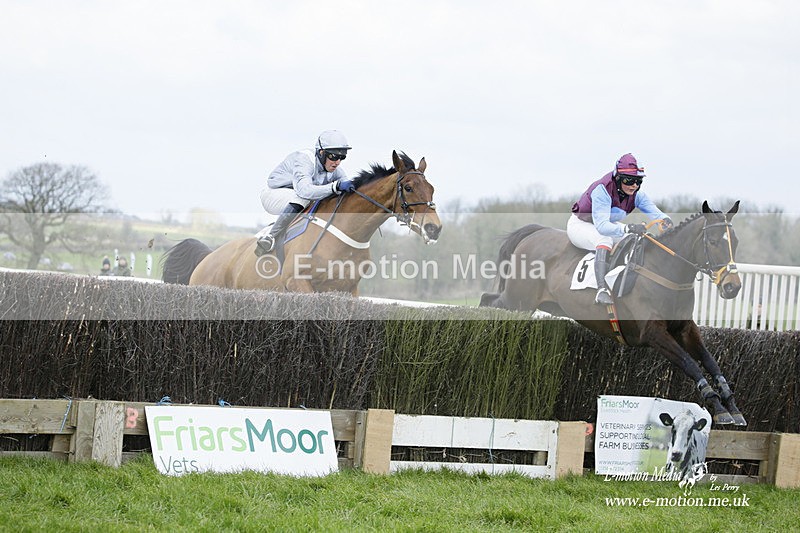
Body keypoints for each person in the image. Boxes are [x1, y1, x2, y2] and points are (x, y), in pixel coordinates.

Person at [568, 153, 673, 305]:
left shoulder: (637, 195)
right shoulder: (602, 190)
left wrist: (665, 221)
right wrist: (629, 228)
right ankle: (601, 289)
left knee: (639, 238)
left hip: (604, 224)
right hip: (581, 225)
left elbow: (656, 214)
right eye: (629, 180)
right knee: (605, 240)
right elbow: (602, 227)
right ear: (617, 177)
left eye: (638, 181)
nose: (634, 185)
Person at [255, 130, 356, 256]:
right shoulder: (304, 159)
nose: (338, 162)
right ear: (321, 153)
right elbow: (305, 191)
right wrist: (335, 186)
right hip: (273, 194)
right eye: (334, 157)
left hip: (293, 196)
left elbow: (348, 187)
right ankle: (270, 237)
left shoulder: (335, 169)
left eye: (342, 157)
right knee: (305, 197)